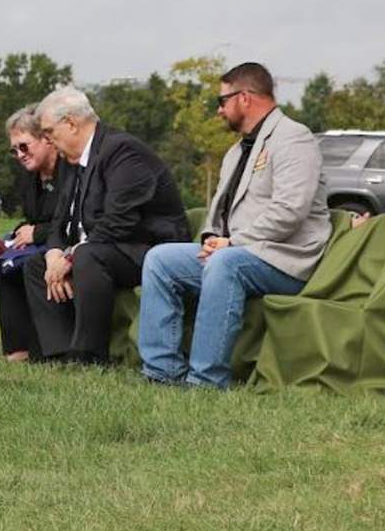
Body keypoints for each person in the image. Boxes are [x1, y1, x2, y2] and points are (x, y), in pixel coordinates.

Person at [138, 62, 332, 389]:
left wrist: (233, 243)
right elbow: (222, 212)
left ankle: (206, 381)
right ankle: (162, 373)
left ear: (245, 97)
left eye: (222, 100)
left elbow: (290, 211)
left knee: (225, 263)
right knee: (160, 259)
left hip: (285, 259)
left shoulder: (294, 138)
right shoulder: (236, 151)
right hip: (240, 252)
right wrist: (213, 237)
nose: (218, 111)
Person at [23, 86, 191, 364]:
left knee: (88, 255)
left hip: (148, 251)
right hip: (110, 248)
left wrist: (70, 255)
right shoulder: (79, 160)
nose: (49, 142)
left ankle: (88, 355)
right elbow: (59, 221)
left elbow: (119, 222)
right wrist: (55, 252)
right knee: (37, 264)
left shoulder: (122, 150)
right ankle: (58, 353)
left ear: (71, 124)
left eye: (50, 132)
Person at [0, 105, 61, 362]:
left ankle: (44, 347)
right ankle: (17, 348)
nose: (20, 155)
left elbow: (73, 219)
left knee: (32, 264)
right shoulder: (30, 177)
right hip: (44, 238)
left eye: (24, 146)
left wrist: (38, 232)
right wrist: (23, 230)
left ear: (46, 140)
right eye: (15, 150)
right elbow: (35, 217)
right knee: (4, 265)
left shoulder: (70, 171)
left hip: (64, 242)